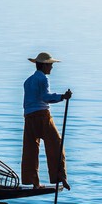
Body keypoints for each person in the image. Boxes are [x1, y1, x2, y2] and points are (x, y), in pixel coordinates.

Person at [22, 52, 72, 190]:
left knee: (30, 149)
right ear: (44, 65)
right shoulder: (43, 79)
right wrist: (63, 96)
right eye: (50, 65)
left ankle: (34, 181)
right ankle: (60, 176)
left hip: (29, 117)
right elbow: (45, 97)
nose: (52, 68)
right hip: (42, 116)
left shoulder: (28, 81)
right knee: (56, 144)